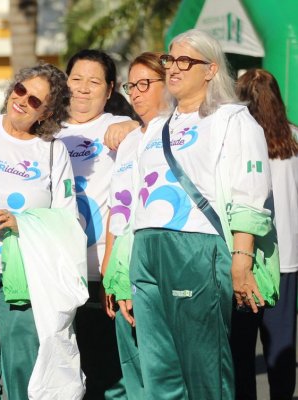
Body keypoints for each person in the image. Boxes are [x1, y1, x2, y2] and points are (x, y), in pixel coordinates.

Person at [130, 29, 271, 399]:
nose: (173, 69)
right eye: (169, 60)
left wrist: (241, 256)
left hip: (195, 246)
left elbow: (249, 194)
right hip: (145, 249)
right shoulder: (156, 127)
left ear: (210, 70)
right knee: (159, 368)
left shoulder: (233, 119)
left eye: (184, 61)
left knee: (204, 367)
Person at [0, 63, 78, 399]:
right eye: (20, 89)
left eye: (35, 100)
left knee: (23, 366)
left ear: (48, 112)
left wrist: (25, 223)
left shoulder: (53, 150)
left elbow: (69, 220)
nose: (22, 100)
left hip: (26, 276)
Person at [56, 49, 131, 398]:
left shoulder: (118, 130)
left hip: (102, 278)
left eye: (94, 81)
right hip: (54, 278)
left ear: (110, 89)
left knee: (106, 377)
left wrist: (132, 124)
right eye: (76, 79)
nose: (83, 89)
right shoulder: (45, 131)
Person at [101, 51, 170, 400]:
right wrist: (110, 266)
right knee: (130, 362)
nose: (137, 93)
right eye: (132, 85)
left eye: (146, 84)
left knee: (163, 364)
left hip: (161, 264)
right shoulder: (128, 142)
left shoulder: (180, 131)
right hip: (123, 264)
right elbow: (119, 207)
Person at [230, 68, 298, 400]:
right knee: (280, 351)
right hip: (286, 259)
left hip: (244, 258)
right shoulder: (295, 140)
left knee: (240, 353)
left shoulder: (235, 141)